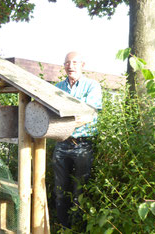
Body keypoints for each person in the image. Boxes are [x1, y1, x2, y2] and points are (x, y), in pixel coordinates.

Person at [53, 51, 102, 229]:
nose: (70, 65)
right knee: (60, 190)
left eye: (74, 62)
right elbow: (53, 111)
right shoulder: (58, 87)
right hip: (62, 142)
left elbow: (88, 114)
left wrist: (64, 121)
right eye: (67, 62)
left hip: (83, 143)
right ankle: (63, 227)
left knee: (80, 190)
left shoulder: (92, 86)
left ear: (83, 65)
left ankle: (79, 228)